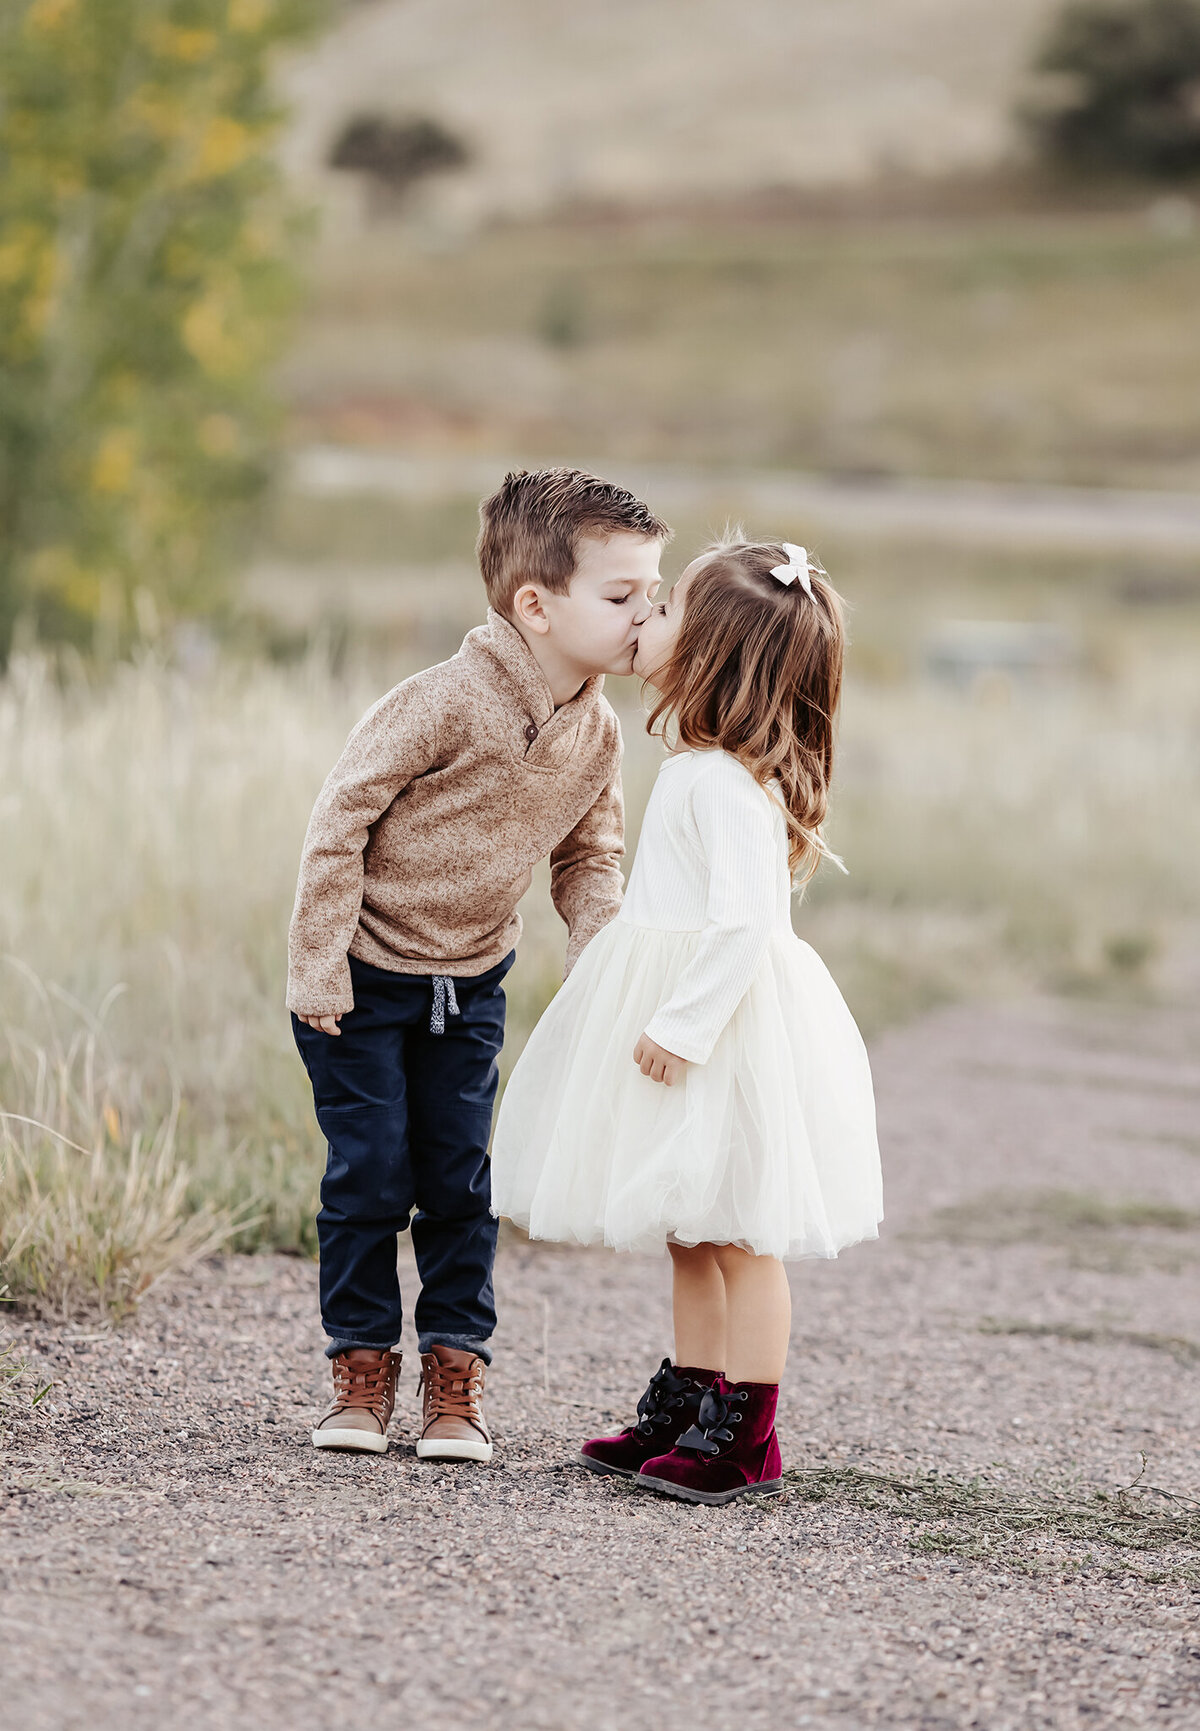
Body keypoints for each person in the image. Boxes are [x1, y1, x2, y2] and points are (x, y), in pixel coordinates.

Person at [287, 468, 670, 1460]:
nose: (649, 616)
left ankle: (455, 1379)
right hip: (361, 982)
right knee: (372, 1176)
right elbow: (340, 817)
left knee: (460, 1183)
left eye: (654, 594)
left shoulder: (596, 729)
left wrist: (602, 965)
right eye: (622, 597)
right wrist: (318, 959)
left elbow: (590, 860)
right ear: (535, 605)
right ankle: (360, 1375)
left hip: (472, 985)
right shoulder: (444, 701)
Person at [491, 537, 883, 1504]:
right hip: (687, 1010)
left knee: (741, 1231)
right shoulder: (695, 766)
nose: (643, 616)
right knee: (688, 1224)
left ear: (707, 651)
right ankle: (691, 1392)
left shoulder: (723, 784)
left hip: (723, 1029)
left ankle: (748, 1427)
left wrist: (685, 1024)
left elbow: (745, 924)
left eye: (663, 609)